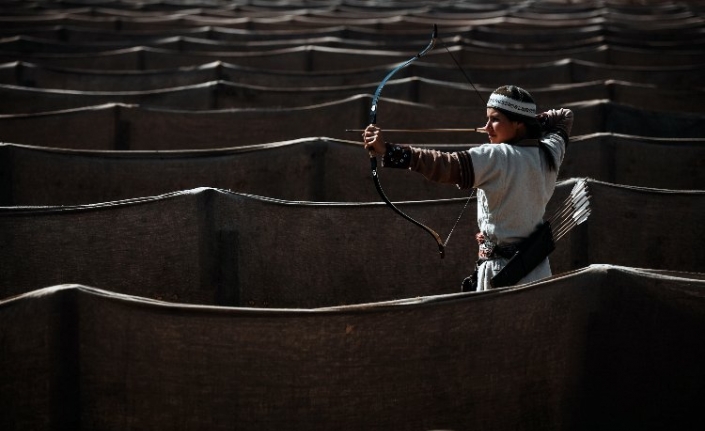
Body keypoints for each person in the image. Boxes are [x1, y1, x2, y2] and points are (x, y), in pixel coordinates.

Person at [362, 85, 573, 291]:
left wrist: (388, 150)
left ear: (518, 123)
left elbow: (444, 165)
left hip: (502, 276)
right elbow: (565, 116)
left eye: (496, 119)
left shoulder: (498, 156)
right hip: (539, 273)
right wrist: (530, 122)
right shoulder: (550, 152)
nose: (487, 126)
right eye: (487, 118)